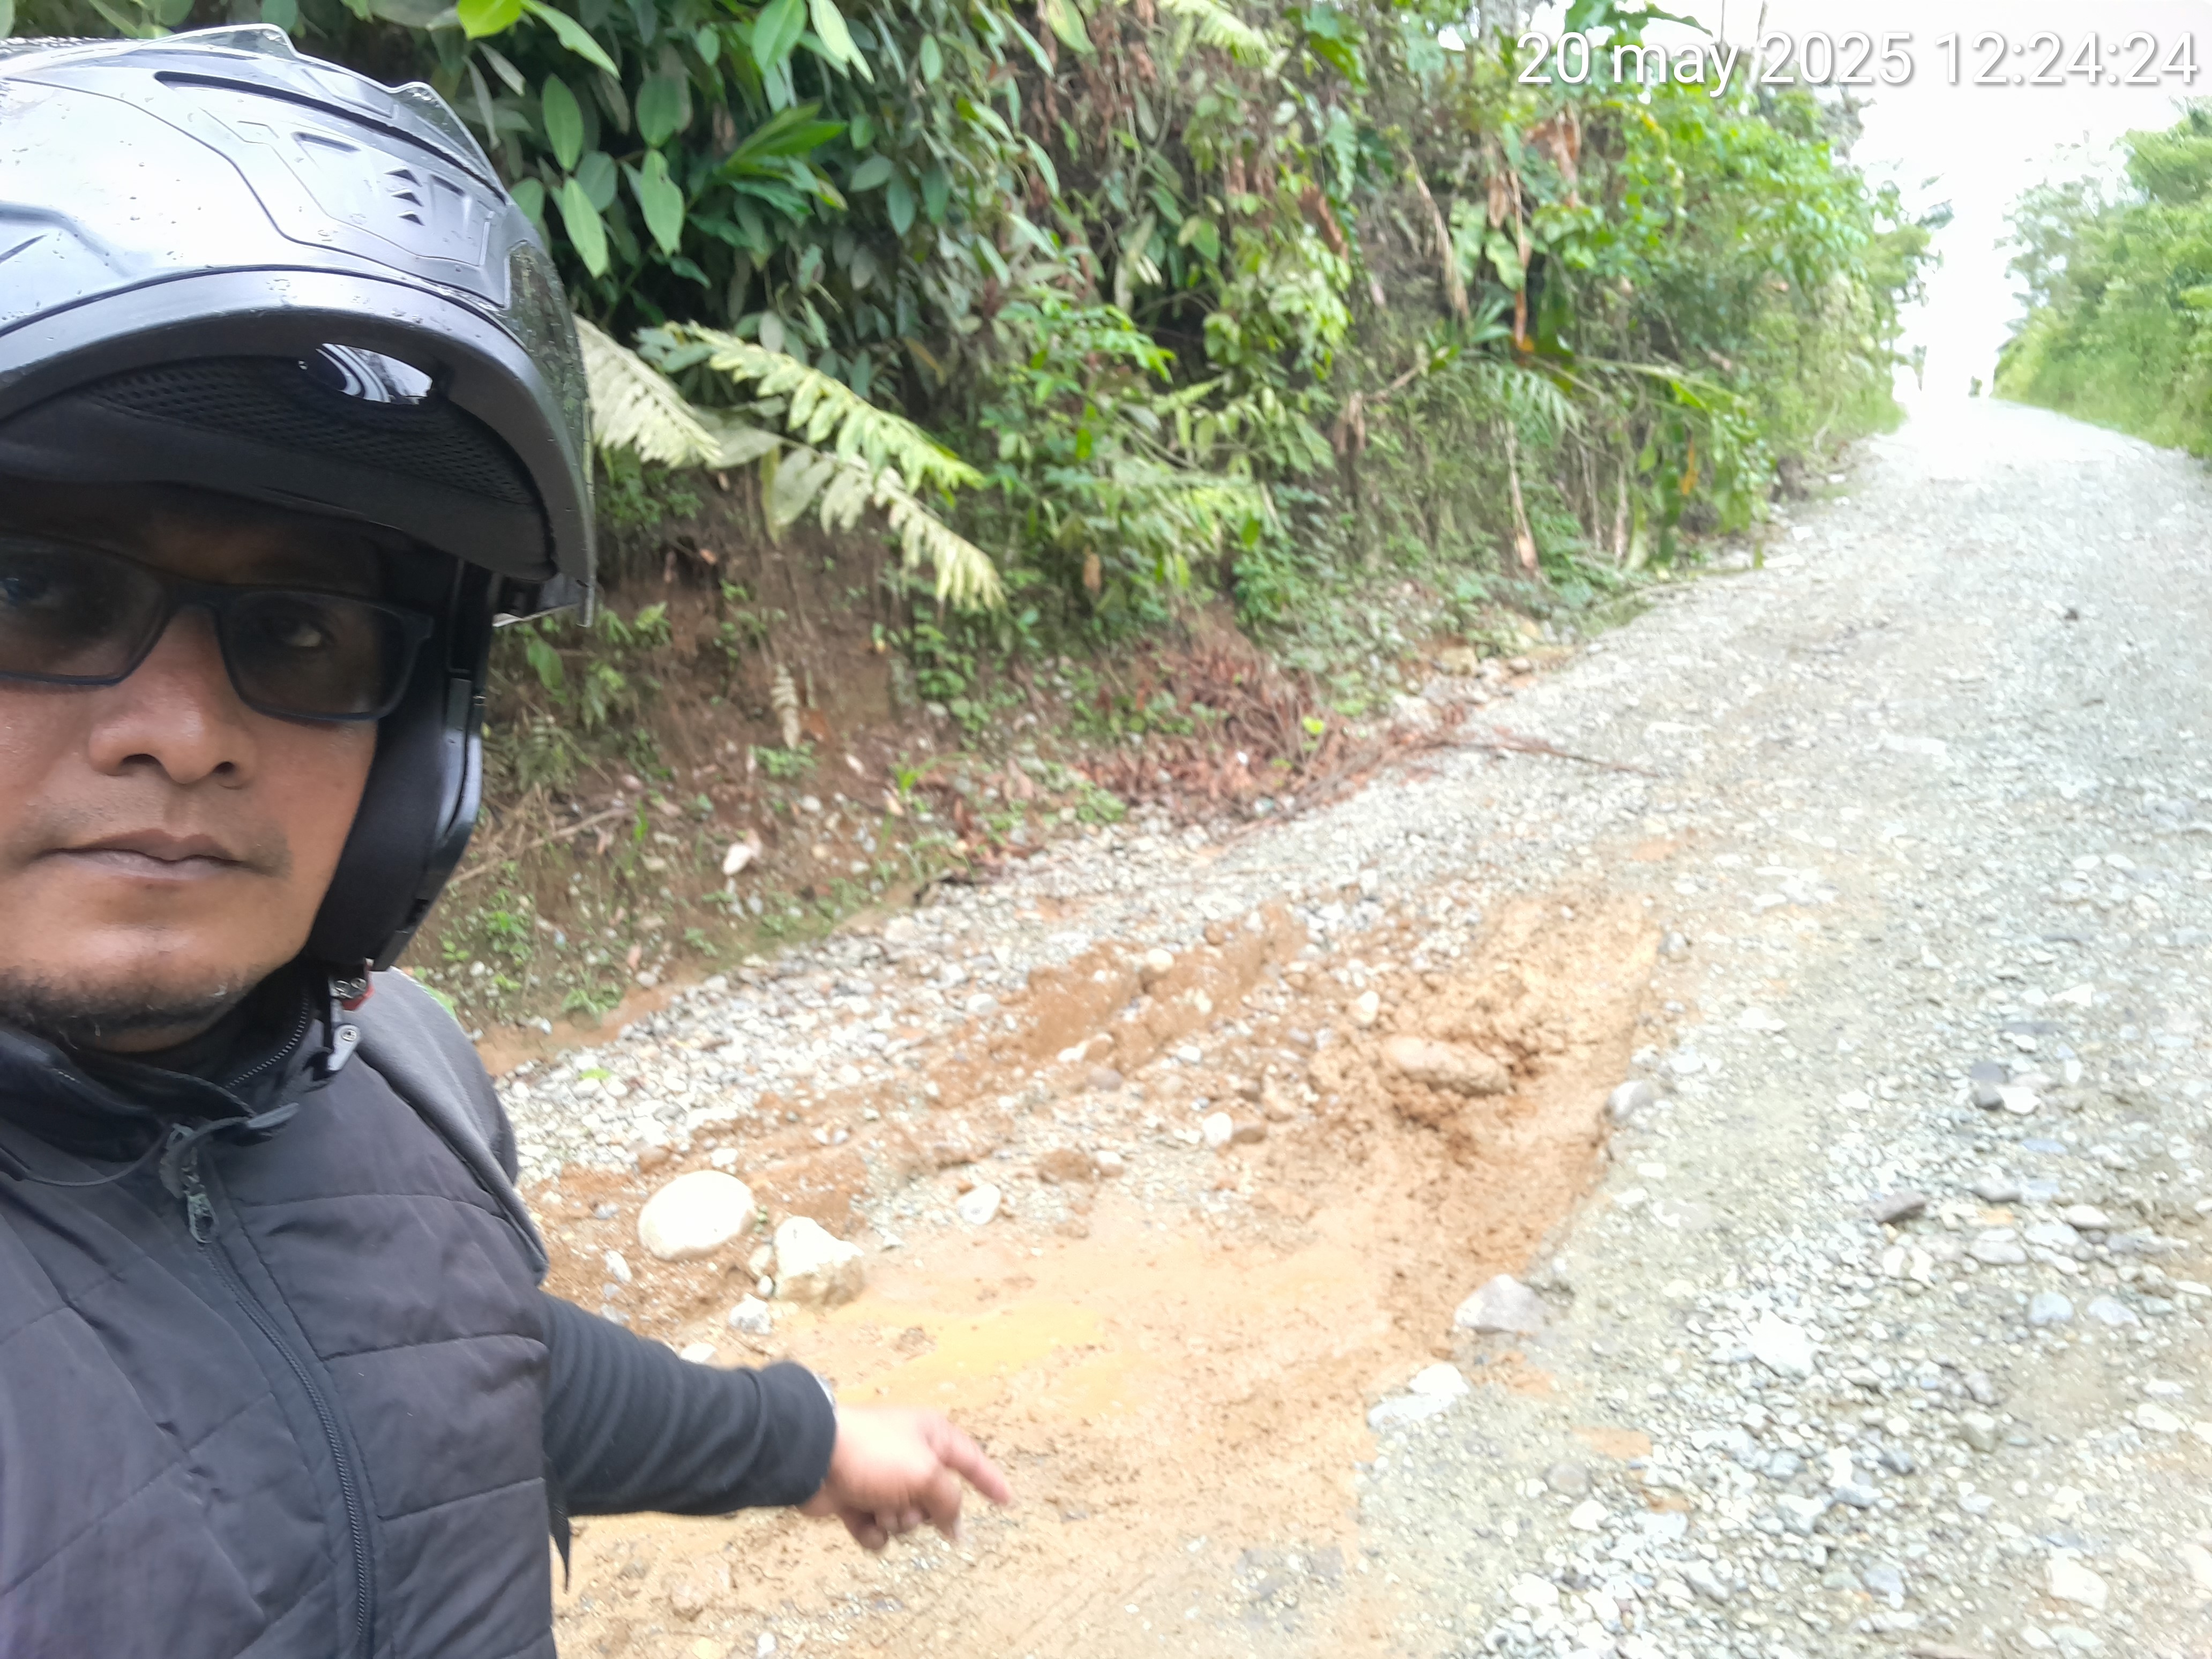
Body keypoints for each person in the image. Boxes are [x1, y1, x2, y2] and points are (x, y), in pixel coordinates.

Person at [0, 26, 1007, 1656]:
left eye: (301, 632)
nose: (183, 731)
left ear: (418, 750)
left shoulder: (390, 1084)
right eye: (38, 592)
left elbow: (475, 1367)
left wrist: (807, 1438)